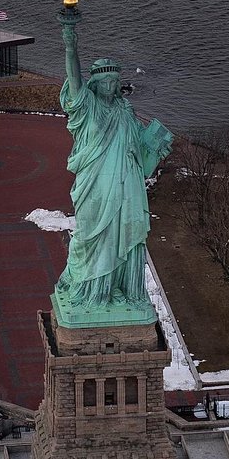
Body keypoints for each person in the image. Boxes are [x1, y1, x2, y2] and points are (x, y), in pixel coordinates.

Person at [55, 22, 172, 310]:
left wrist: (157, 148)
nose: (110, 86)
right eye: (104, 82)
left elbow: (139, 152)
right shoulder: (87, 107)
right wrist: (71, 45)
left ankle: (117, 287)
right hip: (95, 181)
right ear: (94, 85)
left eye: (113, 82)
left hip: (127, 180)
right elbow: (74, 78)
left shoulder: (125, 110)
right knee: (91, 234)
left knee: (123, 232)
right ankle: (89, 286)